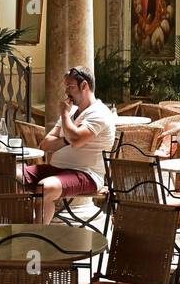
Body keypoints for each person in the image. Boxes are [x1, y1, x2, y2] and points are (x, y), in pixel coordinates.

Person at [23, 65, 117, 223]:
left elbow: (77, 140)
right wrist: (67, 139)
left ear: (84, 85)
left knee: (44, 187)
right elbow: (45, 144)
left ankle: (36, 235)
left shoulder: (99, 113)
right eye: (66, 86)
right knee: (13, 177)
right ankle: (17, 228)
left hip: (86, 174)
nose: (66, 91)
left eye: (70, 86)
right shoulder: (72, 112)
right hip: (57, 169)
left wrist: (65, 115)